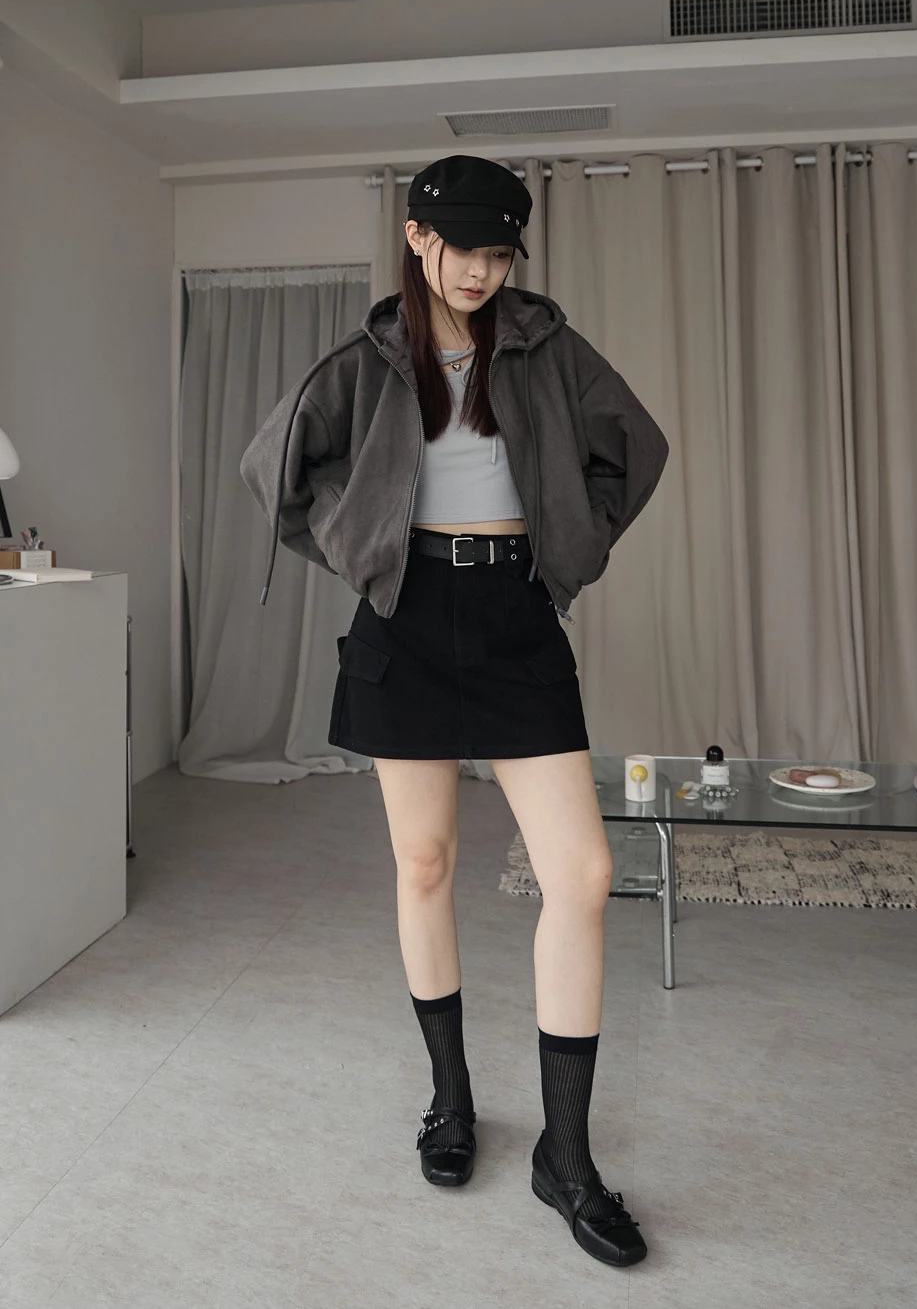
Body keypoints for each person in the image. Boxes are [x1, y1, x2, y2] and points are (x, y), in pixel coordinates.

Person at [240, 154, 669, 1268]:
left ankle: (565, 1156)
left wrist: (574, 539)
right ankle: (451, 1097)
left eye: (499, 252)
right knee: (423, 863)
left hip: (516, 616)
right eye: (463, 247)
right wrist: (362, 542)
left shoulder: (546, 347)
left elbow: (636, 447)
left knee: (580, 874)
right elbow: (275, 466)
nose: (480, 270)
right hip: (409, 619)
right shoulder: (368, 361)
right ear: (417, 237)